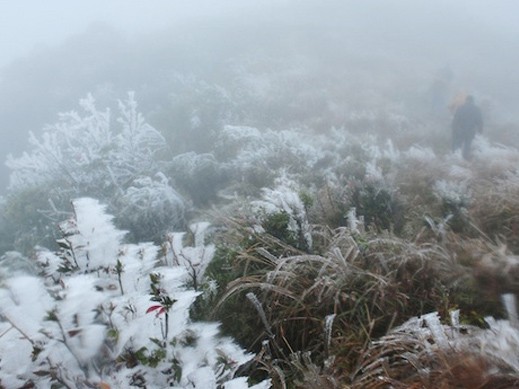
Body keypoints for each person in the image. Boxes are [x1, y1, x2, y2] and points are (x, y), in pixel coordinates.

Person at [451, 95, 483, 160]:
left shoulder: (460, 108)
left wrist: (454, 129)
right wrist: (480, 131)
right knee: (467, 145)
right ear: (473, 101)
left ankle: (456, 158)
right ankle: (465, 159)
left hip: (460, 130)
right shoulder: (476, 109)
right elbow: (479, 121)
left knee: (458, 145)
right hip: (470, 131)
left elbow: (456, 119)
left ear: (466, 100)